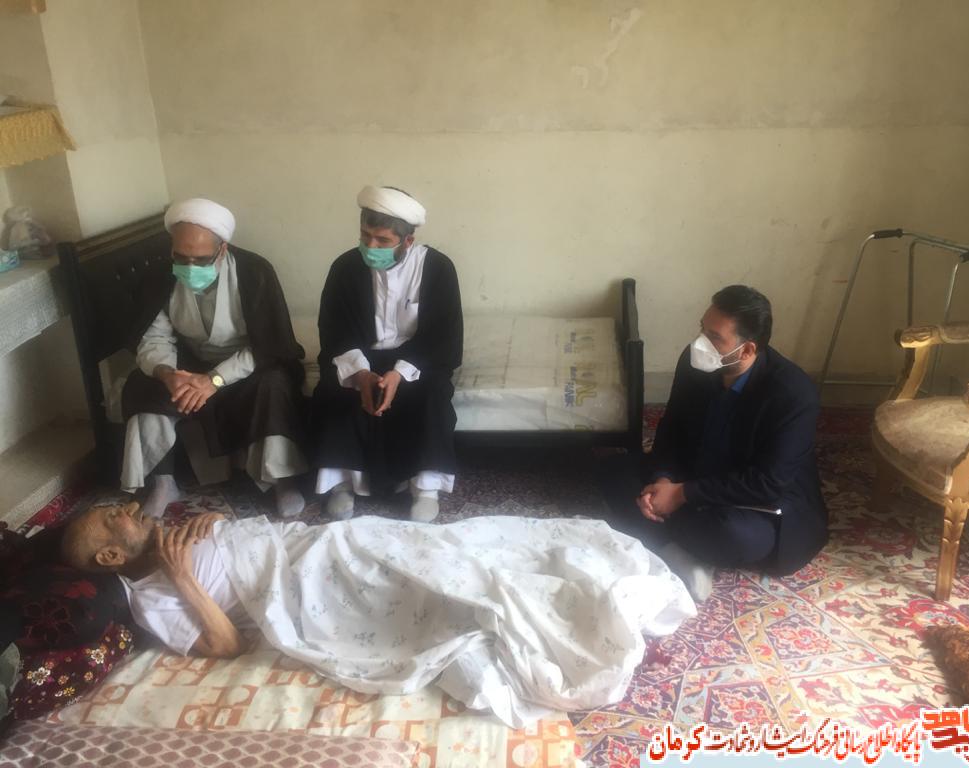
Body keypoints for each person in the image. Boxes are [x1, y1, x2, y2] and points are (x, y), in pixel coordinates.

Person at [59, 501, 694, 727]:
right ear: (112, 556)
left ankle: (589, 578)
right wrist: (184, 578)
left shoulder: (172, 531)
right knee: (439, 593)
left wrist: (218, 520)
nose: (130, 509)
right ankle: (570, 615)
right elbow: (227, 646)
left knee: (448, 545)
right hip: (307, 584)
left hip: (315, 542)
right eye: (116, 518)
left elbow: (243, 536)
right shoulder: (153, 599)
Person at [604, 285, 828, 601]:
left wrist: (682, 494)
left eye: (714, 337)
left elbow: (767, 483)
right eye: (702, 329)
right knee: (613, 472)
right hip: (694, 471)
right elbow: (671, 429)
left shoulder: (793, 393)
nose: (700, 342)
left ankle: (673, 539)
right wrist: (663, 479)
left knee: (733, 536)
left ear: (747, 350)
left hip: (749, 498)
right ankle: (681, 553)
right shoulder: (695, 362)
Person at [121, 199, 308, 519]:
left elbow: (268, 344)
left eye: (201, 259)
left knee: (274, 382)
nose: (190, 267)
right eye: (181, 258)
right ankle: (162, 483)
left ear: (222, 250)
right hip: (189, 365)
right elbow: (155, 338)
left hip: (245, 366)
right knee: (141, 384)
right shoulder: (159, 276)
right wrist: (169, 374)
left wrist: (215, 380)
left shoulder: (254, 271)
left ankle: (281, 480)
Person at [312, 186, 462, 523]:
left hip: (418, 360)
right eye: (365, 236)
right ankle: (342, 485)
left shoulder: (438, 268)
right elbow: (334, 330)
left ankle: (424, 489)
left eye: (382, 240)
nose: (371, 246)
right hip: (360, 356)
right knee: (335, 390)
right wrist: (361, 373)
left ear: (407, 241)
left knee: (432, 394)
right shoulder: (345, 267)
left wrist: (399, 373)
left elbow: (444, 337)